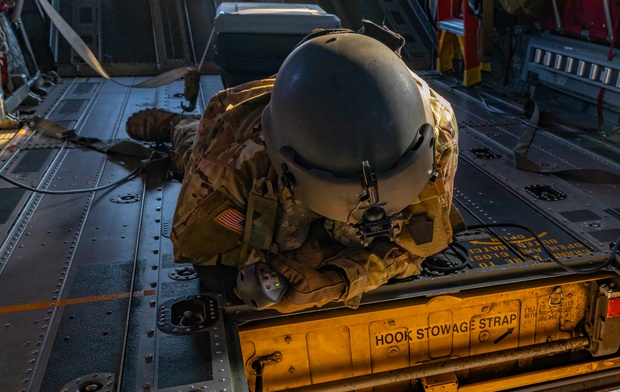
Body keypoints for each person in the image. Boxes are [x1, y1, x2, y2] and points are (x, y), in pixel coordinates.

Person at [127, 25, 459, 312]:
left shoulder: (436, 128)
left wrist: (339, 280)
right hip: (250, 131)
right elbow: (201, 255)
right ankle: (176, 126)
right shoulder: (233, 159)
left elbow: (424, 244)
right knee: (189, 148)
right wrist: (277, 266)